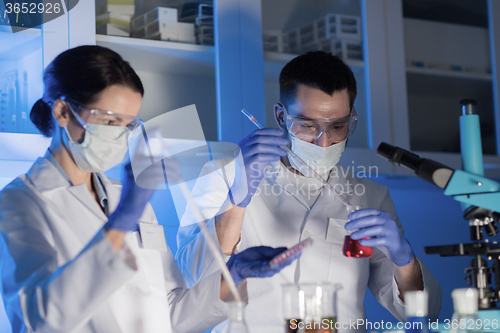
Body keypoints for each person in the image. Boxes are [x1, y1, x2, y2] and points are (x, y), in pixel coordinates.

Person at [0, 45, 298, 333]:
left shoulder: (125, 196)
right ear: (63, 112)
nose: (119, 134)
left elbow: (169, 313)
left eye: (128, 124)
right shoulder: (17, 202)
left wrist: (234, 274)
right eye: (109, 120)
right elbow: (41, 320)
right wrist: (124, 217)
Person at [175, 51, 442, 332]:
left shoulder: (370, 197)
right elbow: (192, 282)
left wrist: (404, 259)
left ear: (352, 119)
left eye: (338, 127)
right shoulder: (223, 176)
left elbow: (424, 315)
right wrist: (236, 201)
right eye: (307, 125)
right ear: (281, 117)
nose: (323, 141)